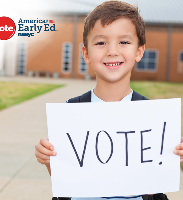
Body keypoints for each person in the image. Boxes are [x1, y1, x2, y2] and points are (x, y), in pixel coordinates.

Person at [35, 1, 183, 199]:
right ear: (86, 54)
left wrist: (173, 157)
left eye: (124, 42)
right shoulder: (71, 111)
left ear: (139, 51)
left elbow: (155, 184)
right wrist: (51, 162)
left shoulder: (152, 116)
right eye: (101, 42)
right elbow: (68, 182)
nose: (112, 51)